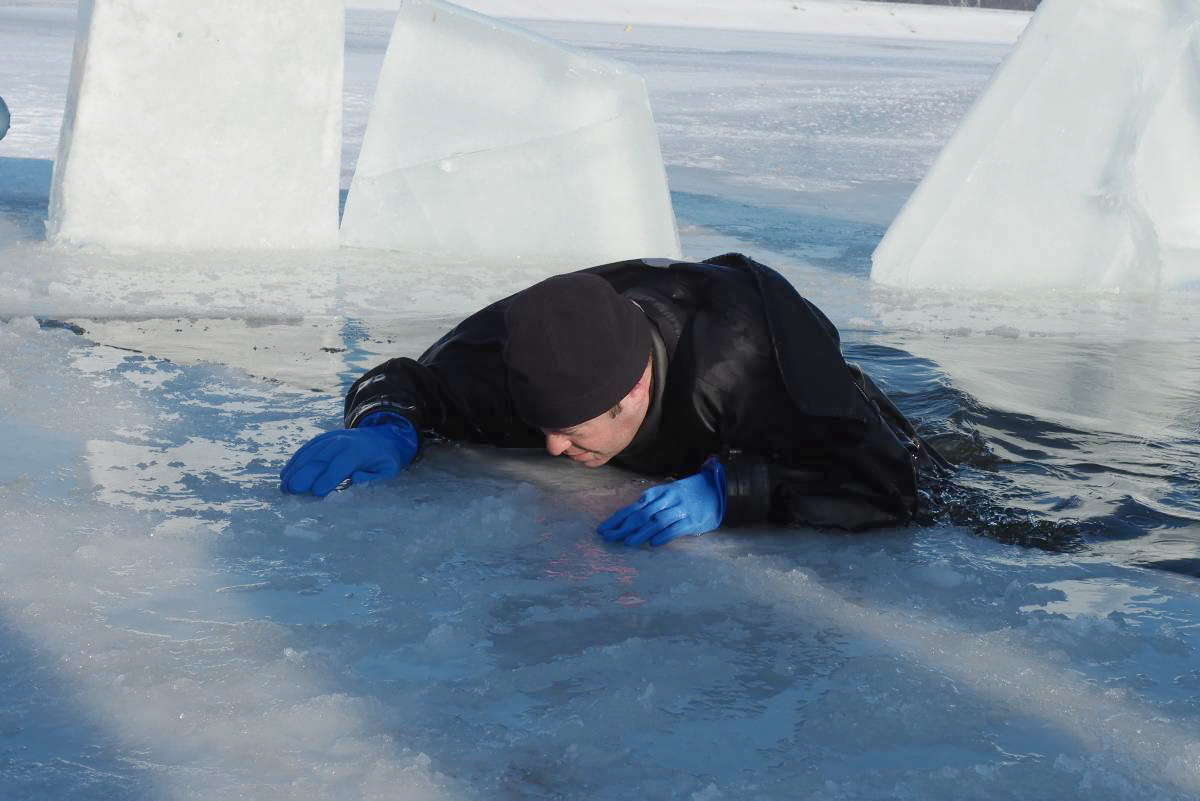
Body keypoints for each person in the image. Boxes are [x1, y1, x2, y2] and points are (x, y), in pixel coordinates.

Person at [280, 253, 945, 546]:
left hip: (787, 357)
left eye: (573, 432)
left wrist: (737, 490)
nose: (552, 449)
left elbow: (886, 478)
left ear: (635, 390)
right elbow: (413, 382)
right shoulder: (517, 352)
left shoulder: (747, 365)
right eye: (544, 428)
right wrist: (386, 425)